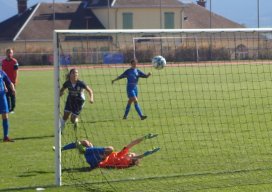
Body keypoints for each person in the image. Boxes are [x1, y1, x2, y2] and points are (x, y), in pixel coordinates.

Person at [64, 133, 160, 169]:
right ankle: (61, 148)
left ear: (132, 160)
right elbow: (133, 143)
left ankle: (85, 150)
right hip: (96, 155)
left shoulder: (125, 163)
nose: (131, 153)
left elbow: (139, 157)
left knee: (110, 149)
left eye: (132, 155)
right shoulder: (121, 154)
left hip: (96, 162)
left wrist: (149, 152)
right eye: (131, 153)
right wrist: (145, 137)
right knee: (85, 142)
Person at [0, 69, 16, 142]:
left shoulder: (2, 72)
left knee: (5, 116)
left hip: (2, 97)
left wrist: (12, 88)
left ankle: (5, 137)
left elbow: (9, 81)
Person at [1, 48, 19, 113]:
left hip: (12, 81)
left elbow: (16, 71)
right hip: (5, 81)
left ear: (12, 53)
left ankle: (12, 108)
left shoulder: (15, 61)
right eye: (9, 53)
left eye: (11, 53)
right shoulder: (3, 61)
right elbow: (2, 72)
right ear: (6, 53)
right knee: (6, 95)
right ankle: (8, 108)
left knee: (12, 94)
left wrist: (15, 80)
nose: (10, 54)